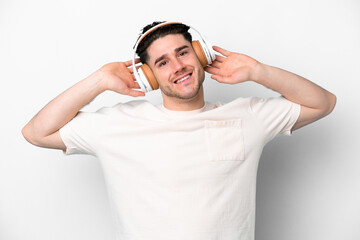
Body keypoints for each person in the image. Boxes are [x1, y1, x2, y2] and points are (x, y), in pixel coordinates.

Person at [22, 21, 336, 240]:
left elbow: (323, 103)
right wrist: (100, 80)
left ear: (200, 56)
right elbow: (36, 132)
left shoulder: (247, 115)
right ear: (148, 77)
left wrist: (259, 71)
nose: (178, 66)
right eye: (162, 62)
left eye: (183, 53)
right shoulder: (117, 125)